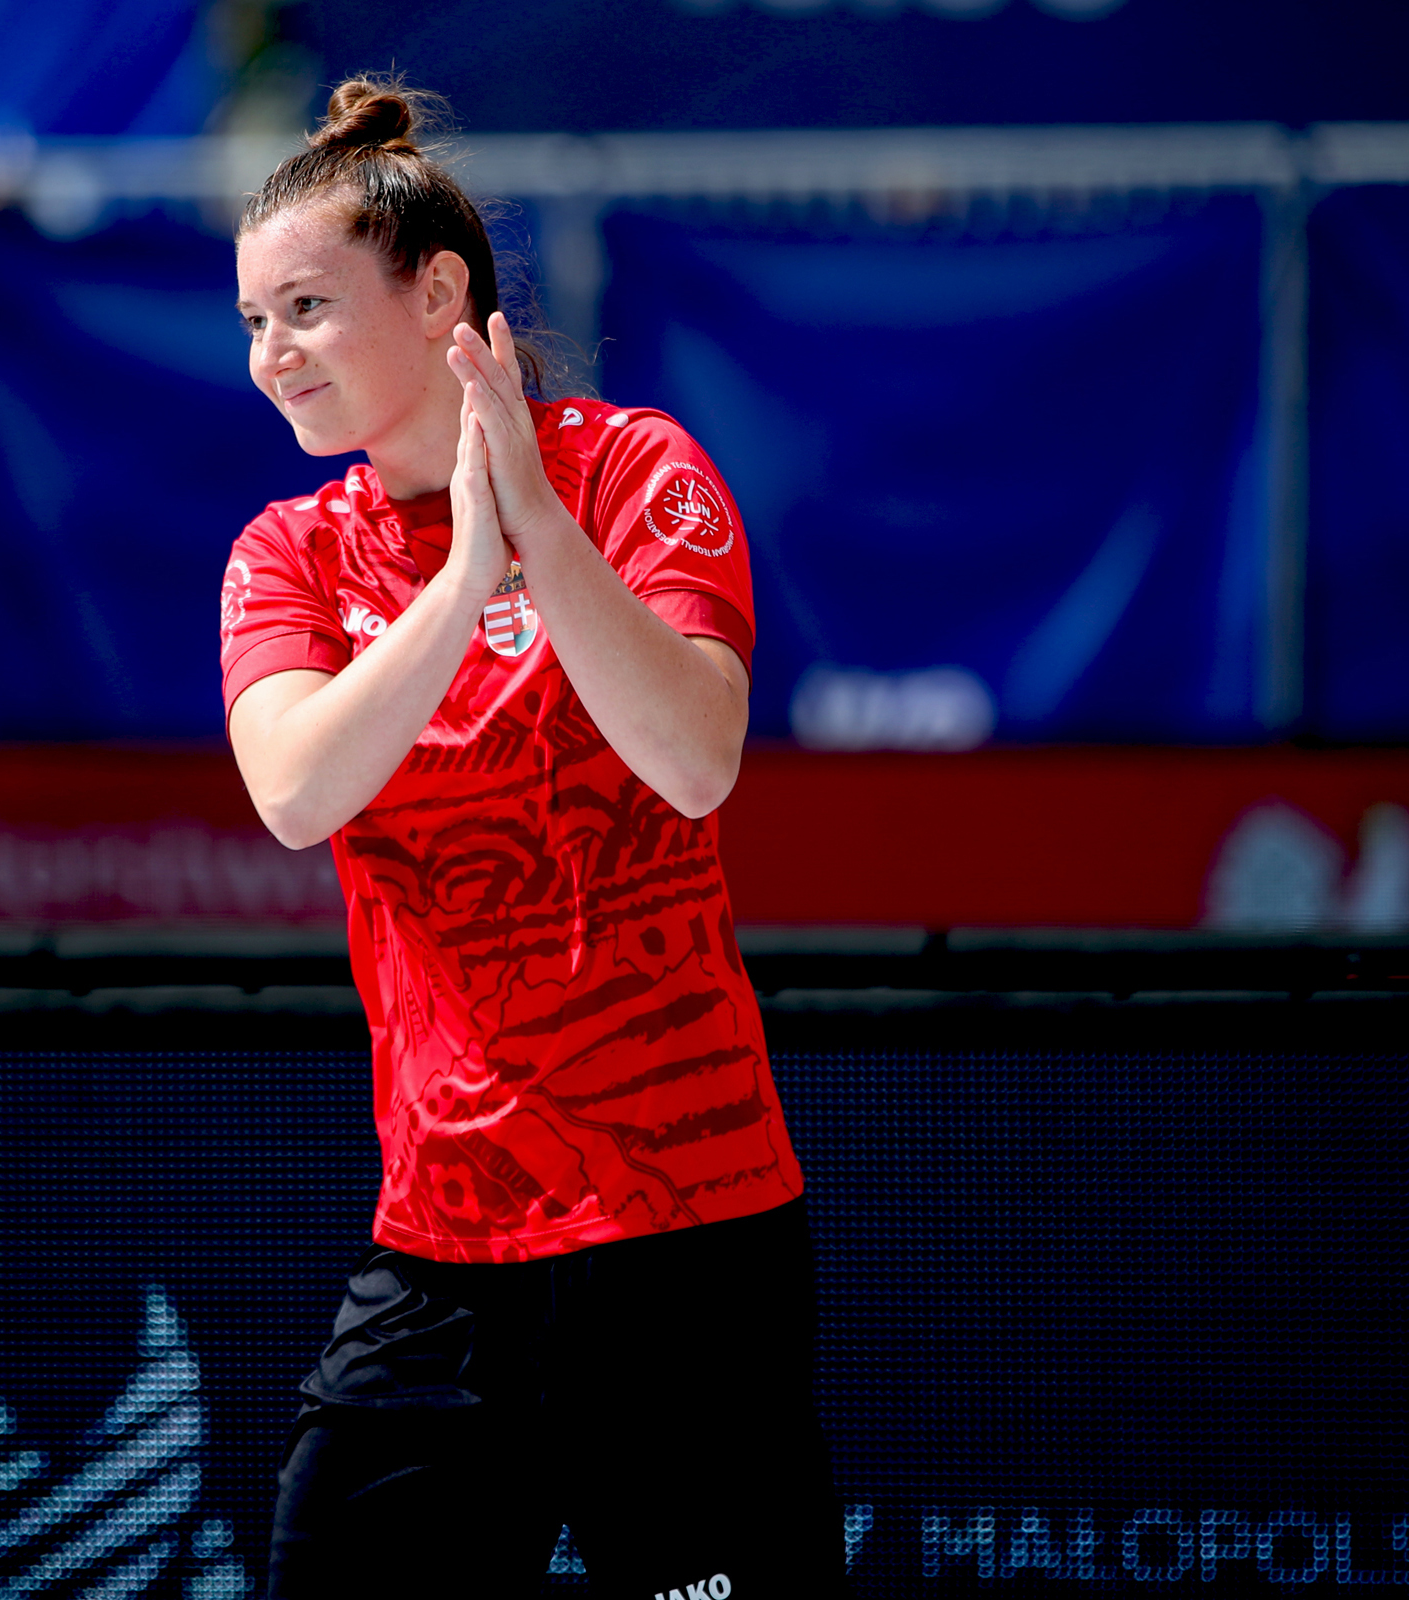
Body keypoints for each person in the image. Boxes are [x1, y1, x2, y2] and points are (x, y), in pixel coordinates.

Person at [220, 78, 844, 1599]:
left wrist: (537, 535)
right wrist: (461, 582)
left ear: (439, 294)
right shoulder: (289, 552)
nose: (272, 354)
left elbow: (694, 761)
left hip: (687, 1236)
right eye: (254, 321)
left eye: (307, 307)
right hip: (444, 1250)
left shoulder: (635, 471)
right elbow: (297, 793)